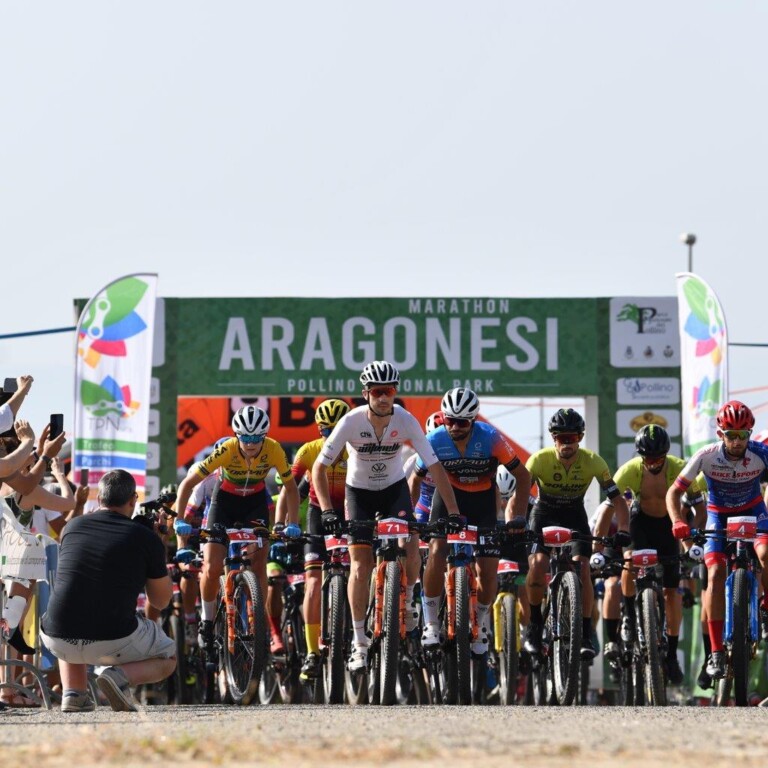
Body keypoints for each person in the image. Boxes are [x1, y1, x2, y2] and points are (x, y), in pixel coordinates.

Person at [311, 361, 462, 672]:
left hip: (394, 490)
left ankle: (405, 604)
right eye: (378, 392)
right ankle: (359, 642)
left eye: (389, 391)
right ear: (366, 393)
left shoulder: (406, 421)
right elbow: (319, 469)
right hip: (359, 493)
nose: (383, 398)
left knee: (411, 542)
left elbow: (435, 467)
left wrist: (455, 511)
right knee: (360, 564)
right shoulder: (351, 422)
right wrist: (327, 510)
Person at [39, 470, 176, 712]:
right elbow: (161, 601)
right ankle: (119, 676)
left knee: (74, 605)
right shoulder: (145, 538)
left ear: (99, 498)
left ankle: (74, 693)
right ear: (133, 500)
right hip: (113, 639)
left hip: (55, 637)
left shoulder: (71, 527)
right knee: (169, 656)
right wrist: (158, 546)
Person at [412, 387, 531, 656]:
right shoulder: (434, 438)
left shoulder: (490, 438)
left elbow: (524, 477)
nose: (455, 427)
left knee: (489, 572)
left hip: (483, 504)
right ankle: (431, 623)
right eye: (450, 420)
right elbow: (415, 479)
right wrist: (412, 517)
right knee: (436, 552)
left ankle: (481, 620)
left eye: (462, 422)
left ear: (473, 420)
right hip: (448, 501)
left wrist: (520, 516)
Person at [173, 406, 299, 657]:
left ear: (264, 435)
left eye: (256, 438)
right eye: (246, 438)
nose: (251, 444)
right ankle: (207, 622)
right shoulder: (227, 449)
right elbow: (188, 483)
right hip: (225, 503)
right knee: (211, 565)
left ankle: (259, 617)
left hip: (254, 503)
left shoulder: (273, 449)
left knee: (260, 562)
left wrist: (292, 522)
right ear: (236, 435)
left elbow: (291, 488)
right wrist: (179, 520)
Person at [667, 400, 768, 680]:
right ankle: (715, 653)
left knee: (765, 554)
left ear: (750, 433)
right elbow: (673, 494)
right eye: (731, 435)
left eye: (743, 435)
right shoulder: (706, 455)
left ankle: (766, 607)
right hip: (718, 516)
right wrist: (678, 521)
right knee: (714, 573)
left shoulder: (761, 453)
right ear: (720, 434)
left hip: (754, 511)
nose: (737, 442)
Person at [520, 408, 630, 660]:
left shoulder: (593, 461)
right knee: (537, 566)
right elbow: (520, 495)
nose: (566, 443)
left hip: (574, 514)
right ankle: (535, 626)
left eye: (571, 438)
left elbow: (617, 500)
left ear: (580, 437)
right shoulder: (538, 460)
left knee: (583, 570)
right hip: (543, 513)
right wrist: (517, 521)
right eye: (560, 438)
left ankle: (585, 631)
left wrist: (623, 529)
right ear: (553, 438)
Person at [609, 424, 706, 685]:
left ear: (666, 454)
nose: (653, 463)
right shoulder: (630, 470)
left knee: (671, 592)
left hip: (669, 528)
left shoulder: (678, 467)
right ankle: (629, 615)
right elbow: (610, 506)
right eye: (648, 458)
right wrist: (603, 543)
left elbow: (701, 510)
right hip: (639, 523)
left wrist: (693, 535)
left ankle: (671, 654)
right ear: (640, 455)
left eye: (658, 458)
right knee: (629, 563)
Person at [277, 398, 349, 681]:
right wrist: (284, 524)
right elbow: (288, 489)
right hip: (319, 514)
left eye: (335, 431)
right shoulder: (308, 451)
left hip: (348, 511)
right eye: (324, 431)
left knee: (359, 570)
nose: (329, 437)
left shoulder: (356, 449)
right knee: (314, 582)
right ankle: (311, 651)